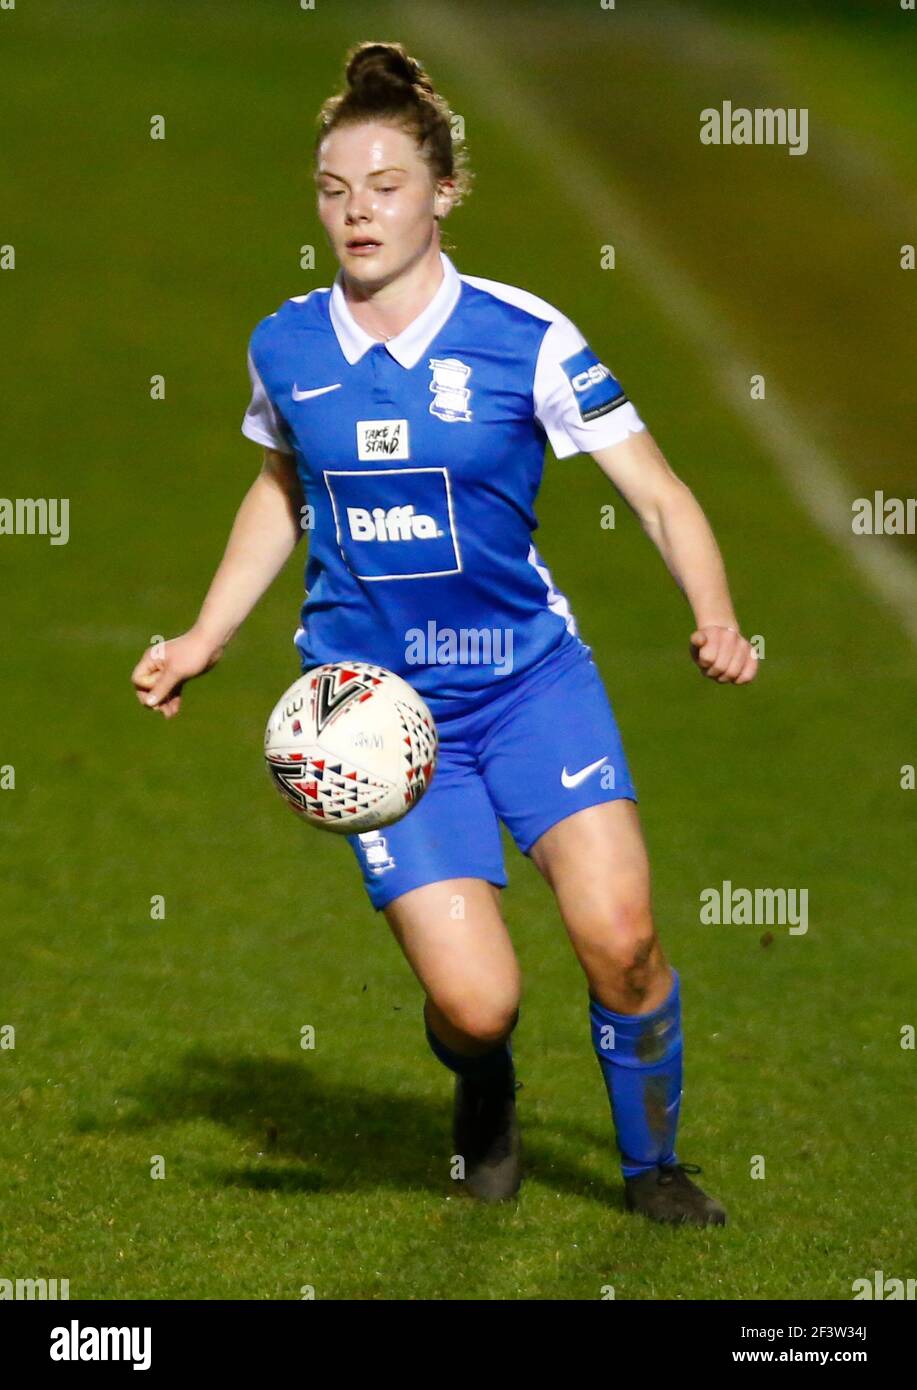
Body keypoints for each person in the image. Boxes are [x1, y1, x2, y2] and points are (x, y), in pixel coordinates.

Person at [131, 41, 758, 1224]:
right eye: (334, 188)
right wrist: (206, 633)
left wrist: (713, 615)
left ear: (442, 192)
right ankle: (482, 1088)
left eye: (384, 184)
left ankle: (651, 1168)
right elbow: (281, 488)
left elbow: (662, 494)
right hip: (373, 713)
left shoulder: (524, 337)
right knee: (478, 1004)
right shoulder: (289, 343)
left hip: (529, 685)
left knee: (620, 939)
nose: (356, 211)